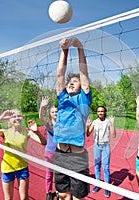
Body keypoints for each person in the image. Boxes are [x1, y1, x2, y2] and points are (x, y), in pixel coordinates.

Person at [53, 37, 92, 200]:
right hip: (60, 153)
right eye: (70, 81)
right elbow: (60, 74)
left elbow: (84, 75)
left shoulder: (83, 99)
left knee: (77, 197)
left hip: (77, 157)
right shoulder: (62, 98)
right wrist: (65, 50)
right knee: (63, 195)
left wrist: (79, 48)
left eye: (75, 82)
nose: (71, 83)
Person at [0, 109, 47, 200]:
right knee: (8, 198)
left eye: (19, 116)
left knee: (24, 198)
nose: (17, 118)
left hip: (22, 168)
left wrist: (36, 131)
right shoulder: (5, 132)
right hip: (8, 168)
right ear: (9, 120)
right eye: (14, 116)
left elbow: (43, 142)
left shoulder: (27, 132)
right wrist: (1, 118)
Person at [86, 106, 116, 198]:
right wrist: (87, 125)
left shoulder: (108, 122)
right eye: (98, 111)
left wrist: (112, 123)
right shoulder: (94, 122)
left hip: (106, 146)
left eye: (102, 111)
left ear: (105, 112)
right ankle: (98, 184)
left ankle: (106, 187)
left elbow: (114, 135)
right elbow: (88, 134)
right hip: (97, 146)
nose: (100, 113)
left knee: (106, 167)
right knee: (97, 165)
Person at [39, 96, 58, 200]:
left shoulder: (62, 124)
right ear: (50, 114)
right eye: (53, 112)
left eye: (56, 111)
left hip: (60, 153)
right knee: (49, 173)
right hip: (50, 152)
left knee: (59, 174)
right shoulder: (49, 125)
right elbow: (41, 117)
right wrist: (42, 106)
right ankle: (49, 192)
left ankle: (59, 191)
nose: (55, 113)